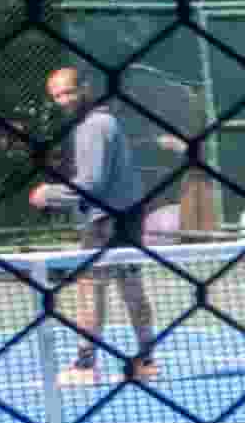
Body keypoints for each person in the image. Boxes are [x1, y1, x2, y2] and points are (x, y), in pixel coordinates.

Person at [27, 60, 177, 389]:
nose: (63, 100)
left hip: (105, 220)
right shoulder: (103, 121)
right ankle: (146, 361)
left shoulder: (93, 126)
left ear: (84, 89)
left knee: (91, 288)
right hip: (127, 216)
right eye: (57, 96)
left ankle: (85, 365)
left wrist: (47, 194)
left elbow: (91, 184)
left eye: (68, 92)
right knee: (131, 286)